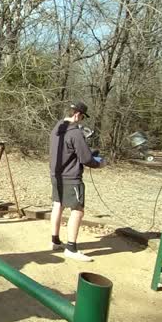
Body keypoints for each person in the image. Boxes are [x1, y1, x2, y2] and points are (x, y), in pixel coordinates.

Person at [49, 101, 106, 262]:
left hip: (56, 175)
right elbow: (87, 158)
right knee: (78, 210)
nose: (81, 120)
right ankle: (71, 248)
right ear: (77, 115)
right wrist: (100, 163)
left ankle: (55, 240)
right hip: (71, 178)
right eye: (81, 117)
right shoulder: (75, 133)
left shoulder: (57, 128)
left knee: (58, 204)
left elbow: (70, 151)